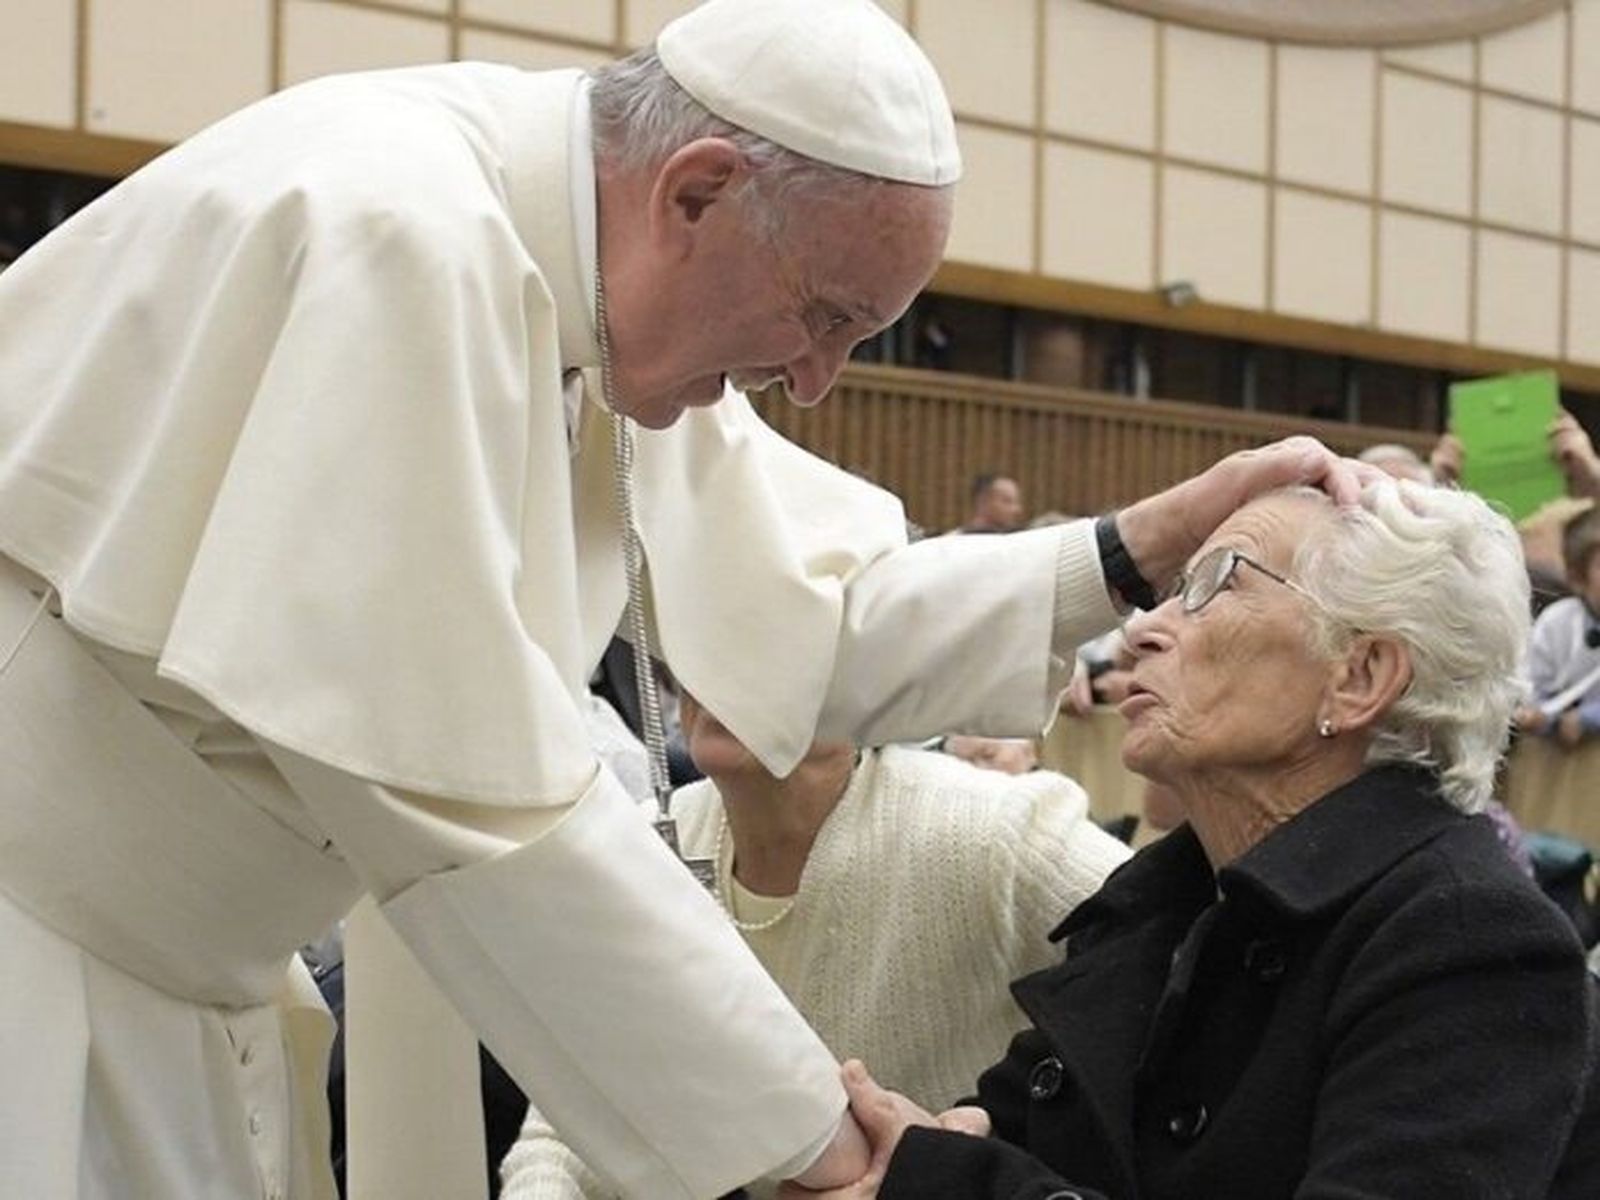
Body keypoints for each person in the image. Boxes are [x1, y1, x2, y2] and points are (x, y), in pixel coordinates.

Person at [0, 0, 1370, 1195]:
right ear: (698, 191)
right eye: (826, 316)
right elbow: (485, 804)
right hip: (51, 973)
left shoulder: (600, 291)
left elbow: (812, 625)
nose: (819, 378)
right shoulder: (390, 236)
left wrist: (1142, 542)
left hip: (180, 991)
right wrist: (818, 1145)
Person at [790, 481, 1600, 1200]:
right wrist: (925, 1146)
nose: (1144, 630)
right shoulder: (1170, 901)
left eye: (1216, 585)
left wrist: (950, 1181)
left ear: (1358, 677)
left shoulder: (1468, 944)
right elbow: (996, 1137)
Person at [500, 693, 1129, 1198]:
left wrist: (1007, 1149)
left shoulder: (988, 831)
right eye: (704, 633)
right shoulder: (643, 844)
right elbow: (564, 1123)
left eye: (777, 628)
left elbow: (1194, 957)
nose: (725, 670)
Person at [1518, 506, 1600, 748]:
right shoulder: (1558, 623)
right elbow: (1531, 681)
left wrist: (1586, 719)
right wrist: (1539, 716)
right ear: (1577, 578)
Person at [958, 473, 1026, 533]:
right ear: (983, 502)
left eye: (1016, 502)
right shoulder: (956, 541)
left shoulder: (1021, 538)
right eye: (1007, 501)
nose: (1017, 509)